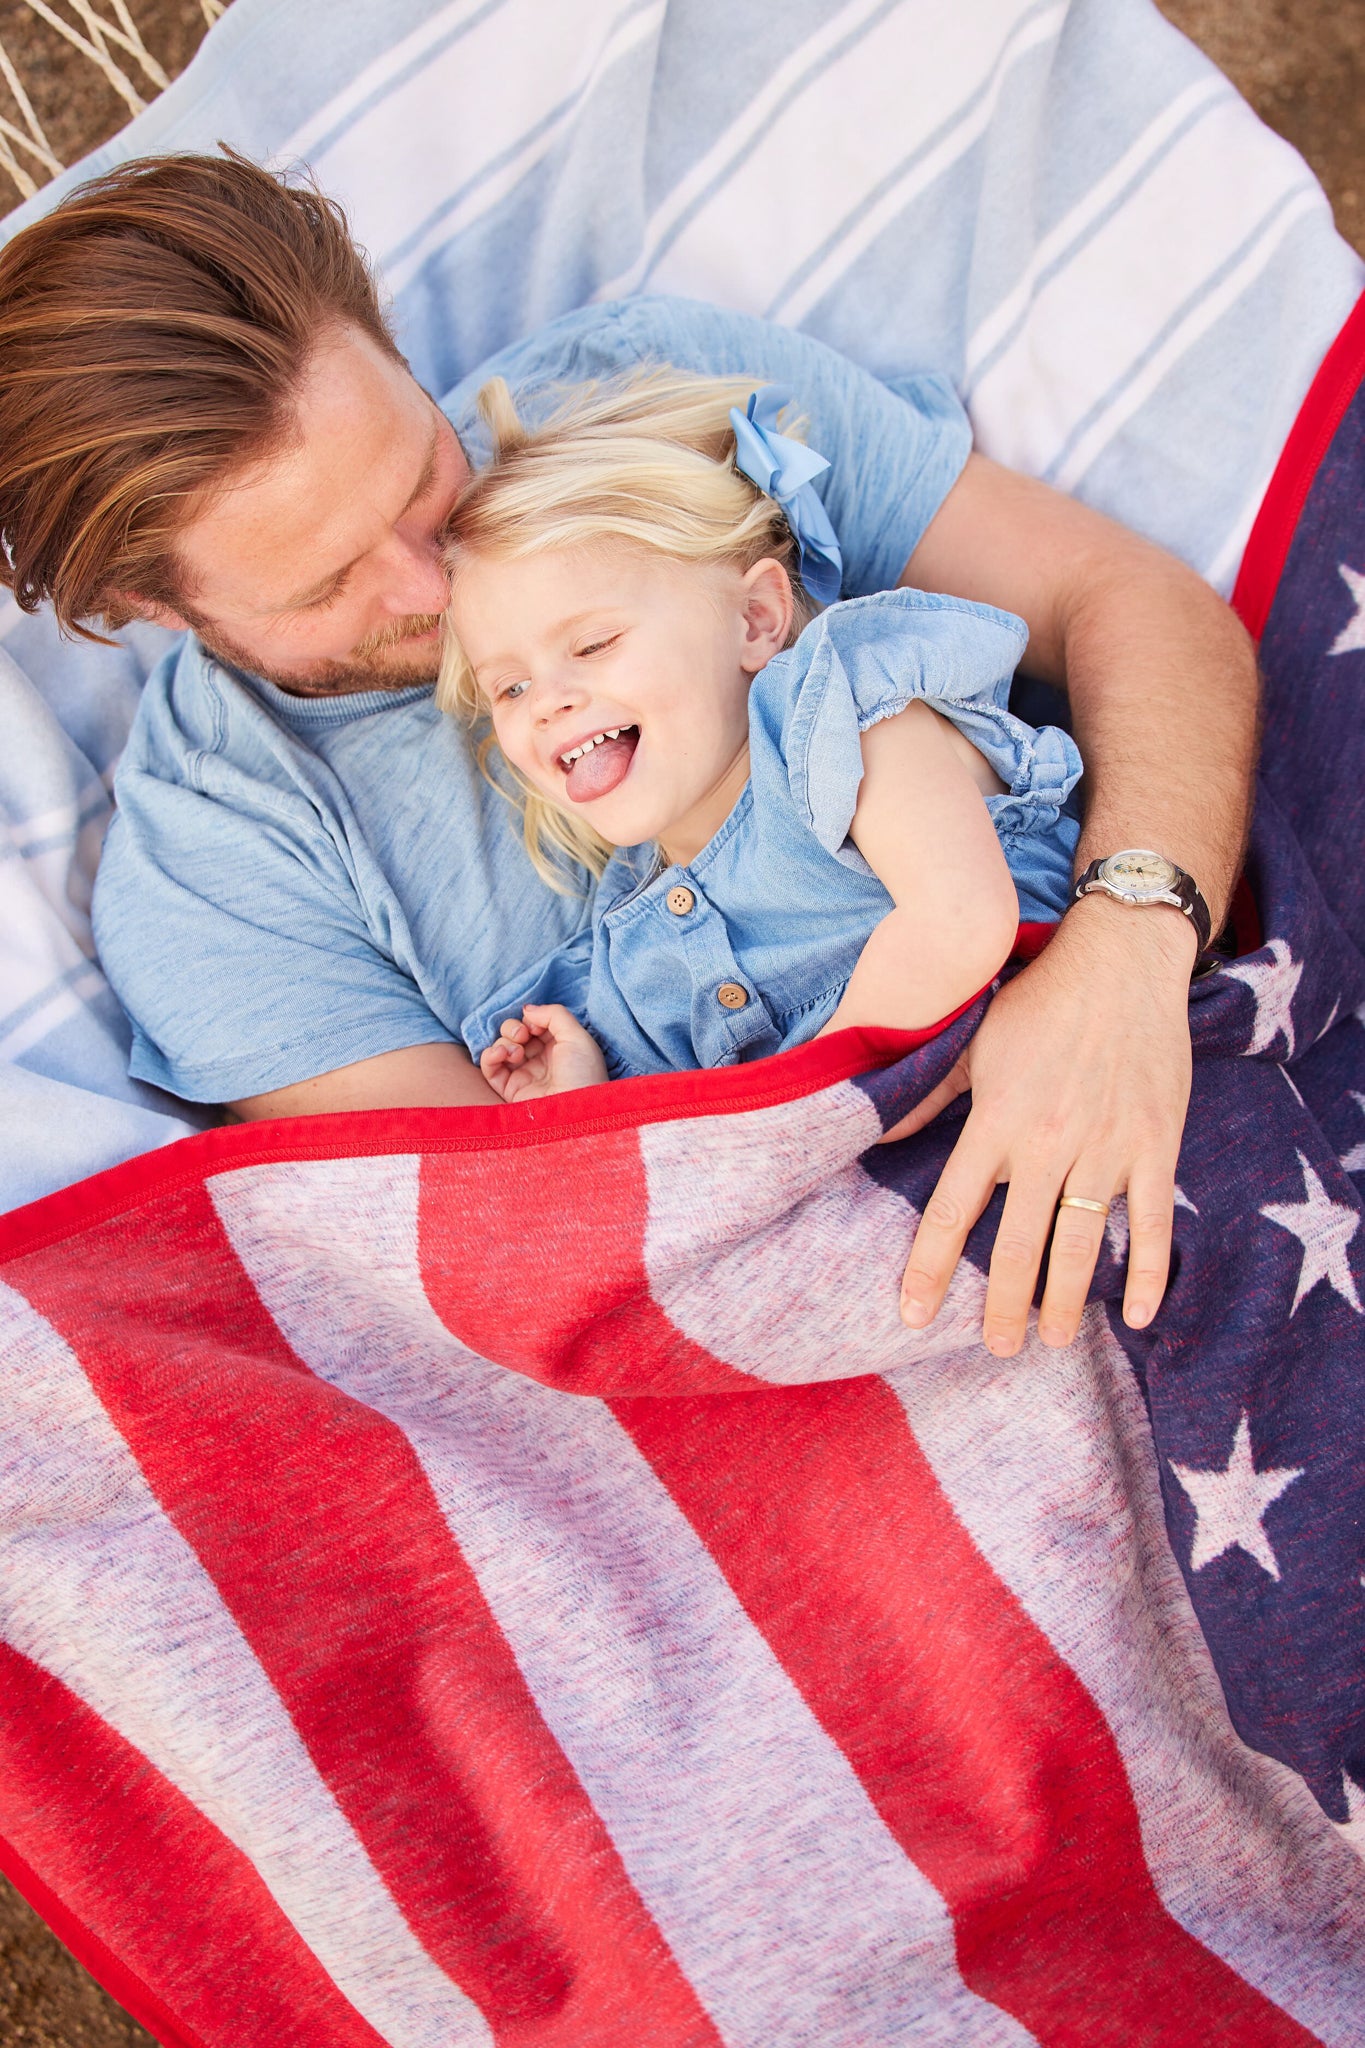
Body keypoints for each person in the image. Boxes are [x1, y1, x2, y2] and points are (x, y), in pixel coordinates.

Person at [0, 150, 1259, 1358]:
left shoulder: (644, 403)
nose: (434, 581)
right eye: (333, 580)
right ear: (154, 609)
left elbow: (1124, 600)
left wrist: (1125, 957)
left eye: (420, 473)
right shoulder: (214, 872)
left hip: (1149, 1010)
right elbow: (538, 1245)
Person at [436, 371, 1082, 1106]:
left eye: (591, 644)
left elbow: (960, 921)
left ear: (753, 620)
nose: (546, 703)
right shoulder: (633, 945)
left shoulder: (849, 723)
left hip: (1069, 1082)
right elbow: (691, 1154)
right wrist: (583, 1094)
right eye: (510, 688)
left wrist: (805, 1122)